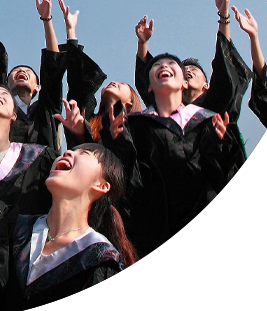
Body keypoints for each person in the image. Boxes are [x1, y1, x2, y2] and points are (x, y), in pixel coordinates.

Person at [0, 19, 135, 311]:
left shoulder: (101, 261)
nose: (70, 153)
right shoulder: (14, 226)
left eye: (84, 152)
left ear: (102, 185)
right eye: (73, 149)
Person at [128, 2, 267, 311]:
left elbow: (234, 80)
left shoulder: (213, 109)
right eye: (179, 69)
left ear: (204, 85)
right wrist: (143, 47)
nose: (185, 71)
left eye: (192, 71)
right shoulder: (151, 121)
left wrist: (229, 23)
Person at [103, 48, 240, 257]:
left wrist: (219, 146)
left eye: (171, 63)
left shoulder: (206, 120)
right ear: (149, 86)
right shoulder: (135, 126)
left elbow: (225, 178)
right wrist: (119, 145)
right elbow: (131, 185)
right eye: (157, 65)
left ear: (184, 83)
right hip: (158, 232)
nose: (164, 66)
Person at [0, 0, 106, 149]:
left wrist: (47, 19)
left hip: (43, 164)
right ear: (6, 85)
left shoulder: (46, 108)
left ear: (37, 87)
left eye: (28, 72)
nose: (21, 71)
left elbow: (53, 64)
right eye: (15, 72)